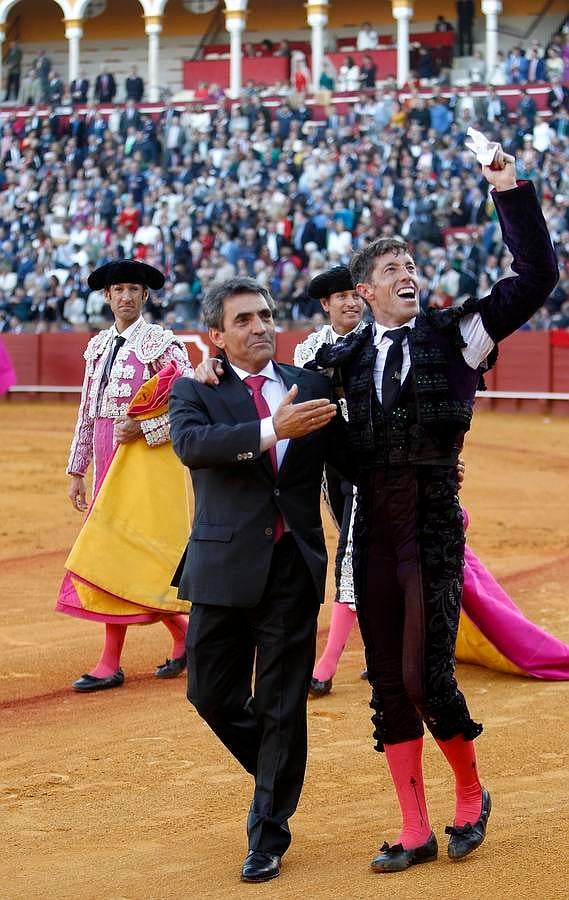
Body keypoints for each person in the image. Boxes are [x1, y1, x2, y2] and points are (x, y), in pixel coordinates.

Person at [310, 147, 558, 873]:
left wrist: (504, 187)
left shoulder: (458, 334)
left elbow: (533, 276)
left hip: (432, 526)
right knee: (387, 681)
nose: (407, 274)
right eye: (390, 270)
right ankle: (414, 827)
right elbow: (292, 420)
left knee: (427, 677)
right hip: (370, 531)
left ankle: (471, 793)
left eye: (410, 265)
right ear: (363, 291)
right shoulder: (343, 359)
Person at [298, 267, 569, 697]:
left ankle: (326, 666)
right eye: (340, 297)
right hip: (341, 467)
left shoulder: (386, 338)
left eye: (354, 295)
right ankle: (380, 648)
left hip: (387, 470)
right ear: (325, 305)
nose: (350, 303)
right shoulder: (313, 349)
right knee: (367, 557)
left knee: (355, 557)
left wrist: (433, 462)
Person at [169, 276, 351, 884]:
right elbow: (193, 447)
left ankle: (268, 830)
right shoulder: (195, 390)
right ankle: (280, 770)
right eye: (244, 320)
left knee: (280, 703)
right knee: (210, 694)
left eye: (266, 316)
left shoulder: (313, 386)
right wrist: (275, 430)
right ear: (216, 336)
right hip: (222, 566)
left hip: (291, 567)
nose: (261, 327)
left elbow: (351, 463)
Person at [58, 259, 194, 692]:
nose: (126, 297)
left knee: (120, 556)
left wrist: (146, 429)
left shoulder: (163, 344)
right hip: (104, 460)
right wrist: (77, 468)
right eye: (118, 290)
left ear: (145, 296)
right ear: (107, 296)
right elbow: (87, 411)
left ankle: (109, 662)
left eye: (134, 289)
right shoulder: (97, 347)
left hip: (144, 464)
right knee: (118, 554)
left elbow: (189, 409)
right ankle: (185, 636)